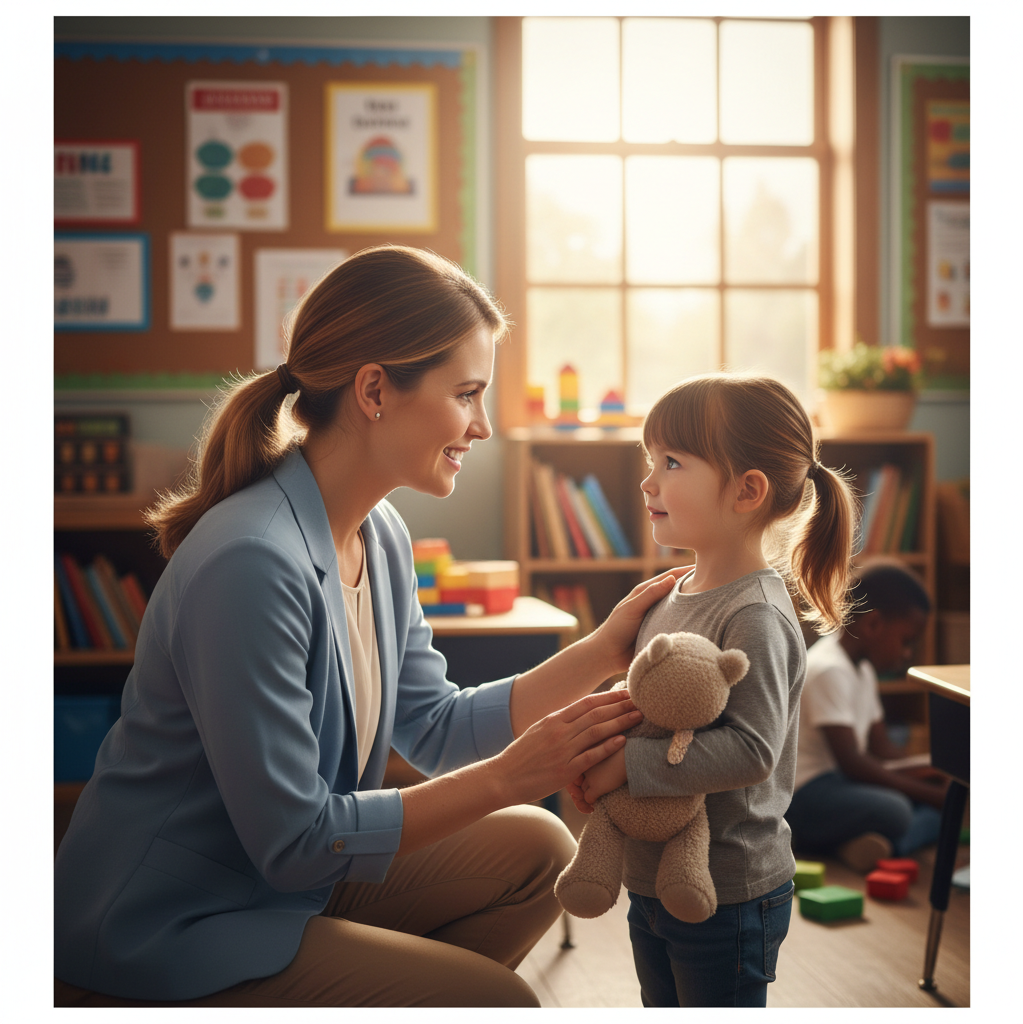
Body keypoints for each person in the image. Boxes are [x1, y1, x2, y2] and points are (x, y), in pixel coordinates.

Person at [53, 245, 686, 1008]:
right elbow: (296, 841)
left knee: (540, 848)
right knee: (498, 1002)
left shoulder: (378, 534)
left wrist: (604, 649)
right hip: (170, 922)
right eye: (467, 394)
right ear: (375, 390)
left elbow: (435, 727)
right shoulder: (251, 562)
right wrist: (511, 775)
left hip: (281, 884)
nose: (483, 426)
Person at [567, 373, 857, 1008]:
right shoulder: (669, 594)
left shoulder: (756, 615)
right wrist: (597, 758)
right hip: (653, 877)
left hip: (729, 888)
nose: (647, 482)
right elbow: (651, 712)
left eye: (671, 462)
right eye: (651, 460)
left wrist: (626, 766)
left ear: (747, 490)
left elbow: (752, 751)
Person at [785, 561, 946, 873]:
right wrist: (931, 794)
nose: (907, 654)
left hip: (840, 783)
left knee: (937, 808)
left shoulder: (863, 670)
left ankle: (857, 844)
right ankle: (884, 845)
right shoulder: (828, 668)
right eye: (906, 641)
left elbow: (882, 749)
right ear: (873, 625)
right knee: (898, 810)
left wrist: (931, 771)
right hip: (805, 795)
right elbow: (853, 763)